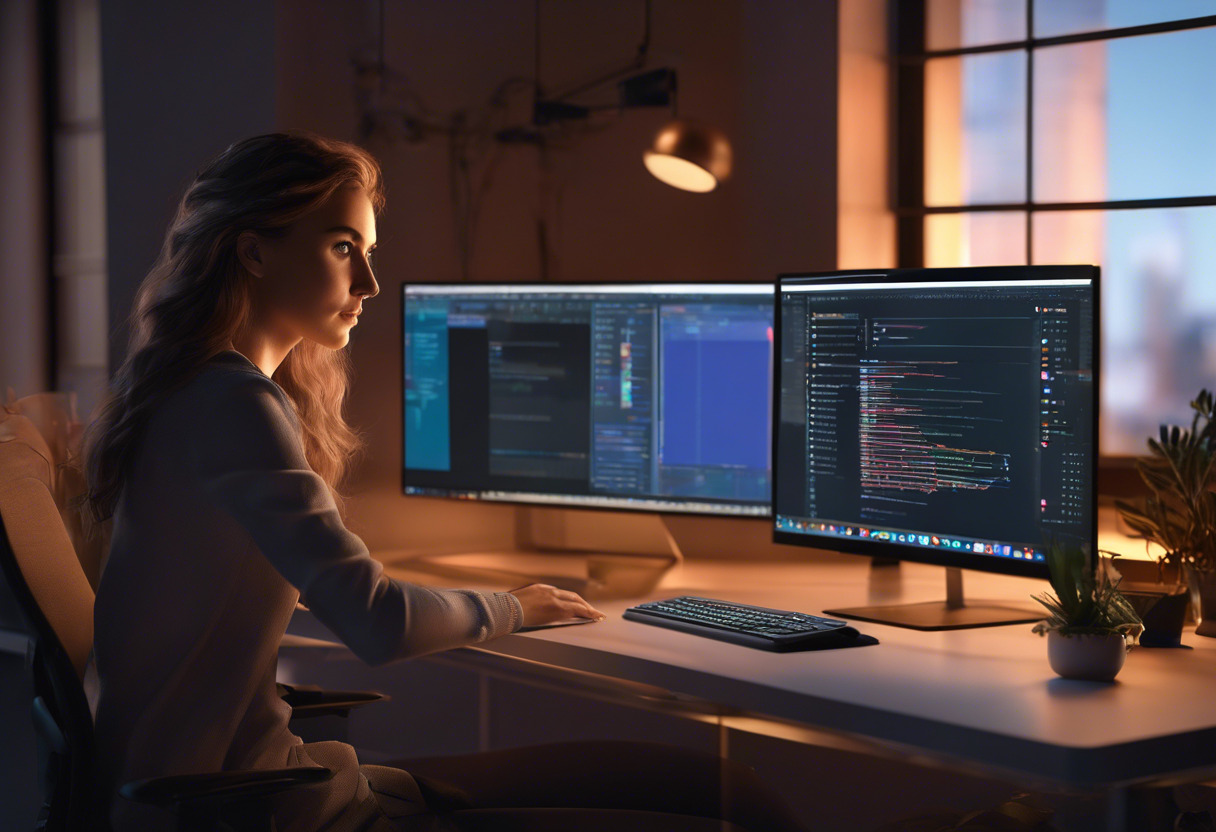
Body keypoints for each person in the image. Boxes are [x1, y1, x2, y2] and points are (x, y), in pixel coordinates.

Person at [84, 131, 807, 832]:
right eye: (343, 248)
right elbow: (380, 620)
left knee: (722, 790)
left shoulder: (189, 391)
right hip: (262, 805)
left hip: (233, 787)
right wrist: (516, 606)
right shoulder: (234, 402)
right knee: (729, 799)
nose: (368, 283)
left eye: (368, 252)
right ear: (252, 250)